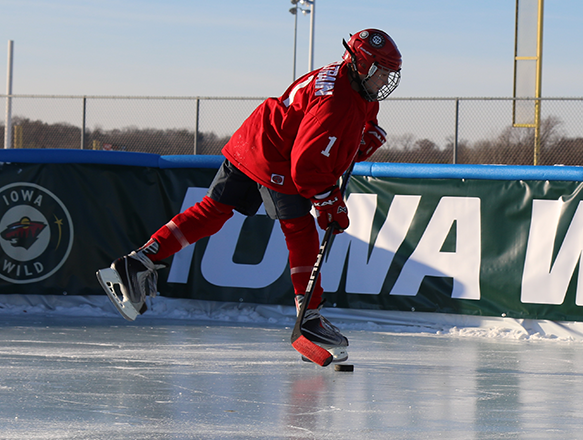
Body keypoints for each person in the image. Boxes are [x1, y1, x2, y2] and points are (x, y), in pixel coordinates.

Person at [95, 28, 402, 364]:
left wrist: (365, 131)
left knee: (213, 210)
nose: (385, 80)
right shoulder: (336, 103)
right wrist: (329, 202)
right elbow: (307, 167)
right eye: (382, 71)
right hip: (277, 155)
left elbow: (361, 113)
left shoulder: (350, 81)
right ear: (363, 66)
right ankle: (309, 318)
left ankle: (138, 261)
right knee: (299, 229)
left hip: (254, 138)